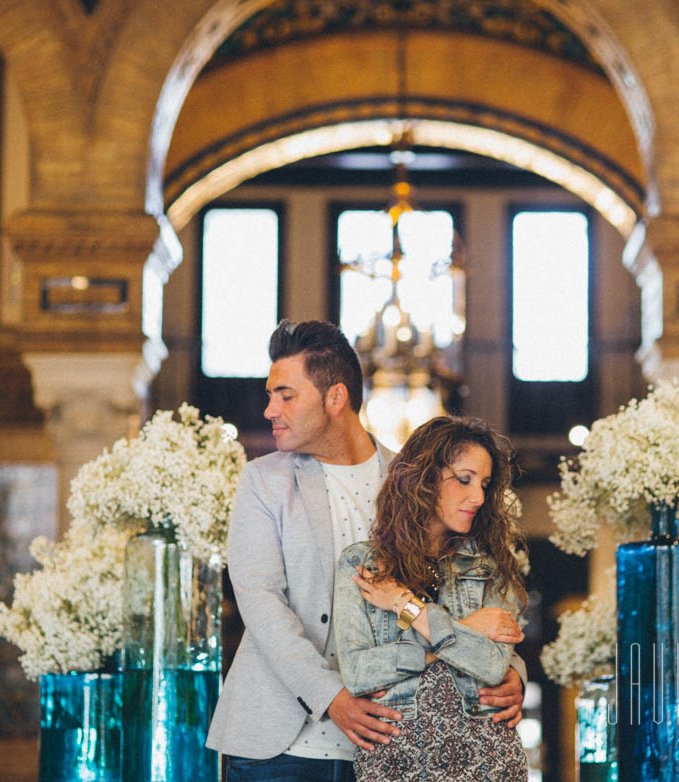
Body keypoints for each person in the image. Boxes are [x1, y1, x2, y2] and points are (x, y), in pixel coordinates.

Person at [206, 320, 526, 782]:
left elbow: (472, 588)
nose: (269, 409)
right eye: (270, 394)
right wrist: (333, 699)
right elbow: (260, 602)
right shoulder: (263, 482)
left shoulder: (417, 482)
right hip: (280, 745)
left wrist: (510, 671)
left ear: (335, 398)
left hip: (396, 747)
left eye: (285, 395)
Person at [333, 416, 529, 781]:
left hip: (487, 760)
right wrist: (465, 630)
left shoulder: (492, 566)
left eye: (485, 484)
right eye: (465, 479)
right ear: (424, 477)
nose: (480, 497)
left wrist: (407, 607)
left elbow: (490, 666)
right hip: (395, 762)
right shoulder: (362, 565)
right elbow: (359, 673)